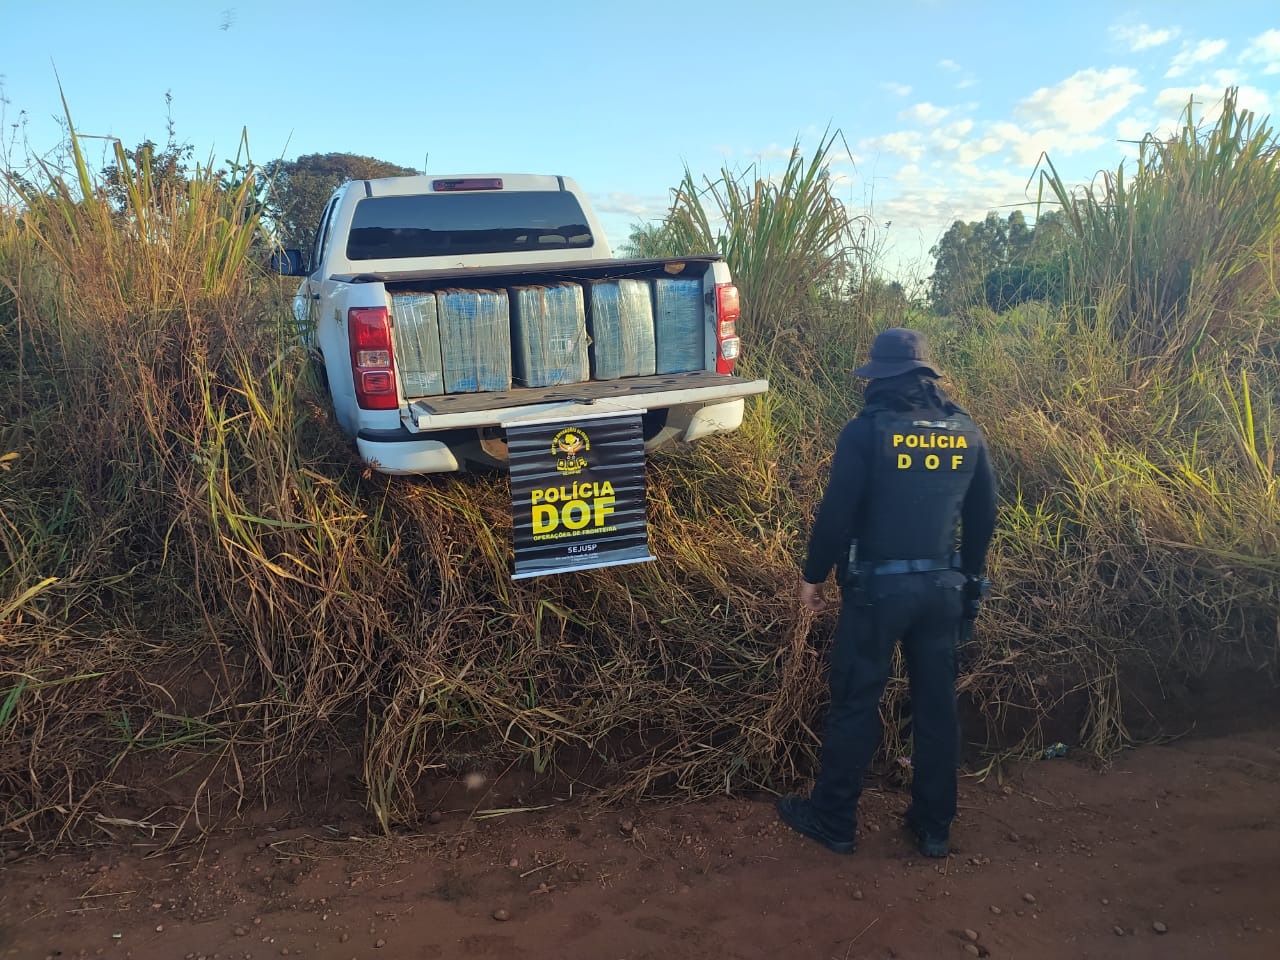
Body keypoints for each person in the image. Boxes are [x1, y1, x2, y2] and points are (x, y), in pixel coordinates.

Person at [777, 327, 997, 858]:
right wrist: (969, 579)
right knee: (937, 709)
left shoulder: (866, 432)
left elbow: (836, 514)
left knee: (856, 701)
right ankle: (934, 827)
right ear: (926, 377)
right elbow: (984, 514)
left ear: (879, 379)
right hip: (943, 591)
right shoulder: (964, 430)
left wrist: (813, 575)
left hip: (878, 593)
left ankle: (833, 819)